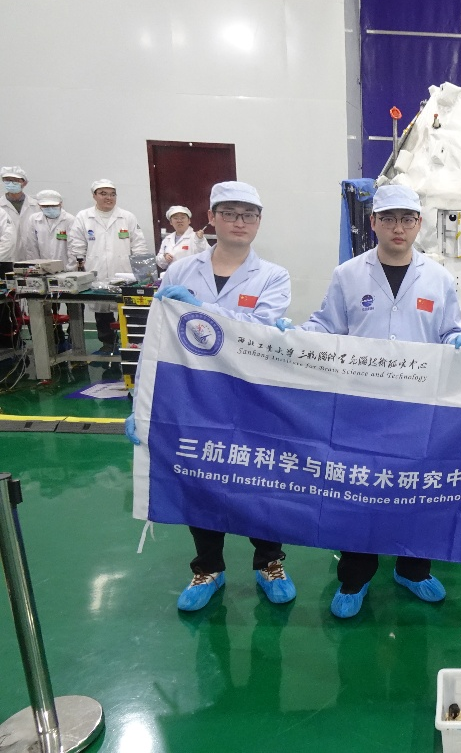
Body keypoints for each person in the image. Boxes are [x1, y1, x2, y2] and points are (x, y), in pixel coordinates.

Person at [281, 184, 461, 620]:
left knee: (416, 489)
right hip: (360, 406)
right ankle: (355, 575)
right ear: (373, 223)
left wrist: (459, 339)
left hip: (419, 406)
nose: (397, 228)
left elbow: (451, 329)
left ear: (419, 224)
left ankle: (413, 569)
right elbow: (326, 326)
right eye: (388, 219)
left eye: (406, 219)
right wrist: (290, 336)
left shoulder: (438, 277)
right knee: (358, 490)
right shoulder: (348, 274)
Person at [126, 181, 295, 612]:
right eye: (230, 213)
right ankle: (208, 568)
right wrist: (140, 404)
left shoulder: (273, 276)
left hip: (251, 397)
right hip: (193, 396)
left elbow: (257, 331)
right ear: (212, 218)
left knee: (259, 479)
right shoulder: (180, 272)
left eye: (248, 215)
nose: (239, 222)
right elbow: (155, 340)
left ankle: (269, 562)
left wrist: (199, 310)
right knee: (199, 478)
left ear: (259, 222)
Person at [67, 180, 148, 355]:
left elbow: (139, 245)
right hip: (97, 272)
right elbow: (77, 245)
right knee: (102, 310)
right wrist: (77, 270)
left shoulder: (127, 217)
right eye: (103, 194)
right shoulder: (84, 217)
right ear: (94, 196)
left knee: (126, 310)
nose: (108, 198)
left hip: (124, 272)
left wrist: (142, 274)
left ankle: (130, 345)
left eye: (112, 194)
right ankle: (107, 344)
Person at [22, 190, 75, 268]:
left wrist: (71, 268)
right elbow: (32, 247)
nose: (50, 208)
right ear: (39, 206)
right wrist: (36, 267)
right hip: (41, 267)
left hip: (65, 267)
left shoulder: (69, 220)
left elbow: (73, 248)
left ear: (61, 204)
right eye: (46, 206)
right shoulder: (34, 219)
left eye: (53, 206)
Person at [1, 166, 41, 259]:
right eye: (7, 180)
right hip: (5, 257)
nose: (11, 183)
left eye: (15, 181)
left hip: (31, 257)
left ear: (24, 183)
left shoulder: (36, 206)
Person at [157, 205, 208, 270]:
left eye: (182, 218)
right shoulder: (167, 239)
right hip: (171, 274)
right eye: (175, 218)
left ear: (189, 221)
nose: (179, 221)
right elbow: (160, 263)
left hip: (190, 274)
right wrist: (164, 258)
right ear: (171, 222)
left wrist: (200, 241)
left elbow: (206, 256)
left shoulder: (197, 238)